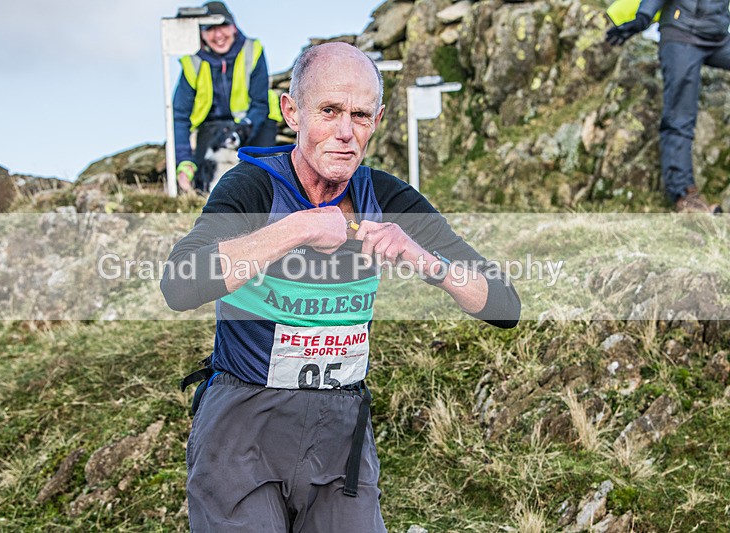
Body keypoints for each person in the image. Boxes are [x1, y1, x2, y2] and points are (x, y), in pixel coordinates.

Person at [161, 42, 521, 532]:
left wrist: (423, 260)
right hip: (243, 426)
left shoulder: (387, 196)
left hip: (339, 428)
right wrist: (299, 228)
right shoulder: (252, 186)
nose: (346, 133)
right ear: (292, 111)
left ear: (378, 118)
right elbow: (179, 283)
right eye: (329, 111)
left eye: (361, 115)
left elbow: (503, 304)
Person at [605, 0, 728, 213]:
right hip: (681, 35)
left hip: (718, 35)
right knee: (680, 117)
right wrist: (643, 17)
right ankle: (684, 196)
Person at [173, 1, 282, 193]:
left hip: (254, 122)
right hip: (212, 127)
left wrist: (245, 127)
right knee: (203, 182)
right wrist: (184, 162)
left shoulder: (253, 50)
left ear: (233, 26)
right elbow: (180, 115)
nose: (218, 35)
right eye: (209, 29)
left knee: (259, 176)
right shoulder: (192, 61)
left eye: (222, 26)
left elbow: (260, 102)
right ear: (201, 34)